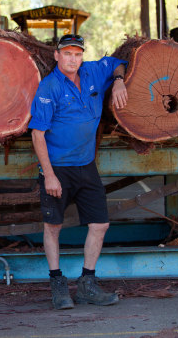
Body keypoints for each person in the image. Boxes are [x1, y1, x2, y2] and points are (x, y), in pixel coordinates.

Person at [28, 34, 128, 310]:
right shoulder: (49, 87)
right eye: (67, 53)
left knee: (100, 224)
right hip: (58, 168)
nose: (73, 59)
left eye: (77, 53)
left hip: (86, 166)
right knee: (53, 226)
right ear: (57, 56)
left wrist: (118, 81)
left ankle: (87, 283)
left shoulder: (94, 71)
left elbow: (118, 63)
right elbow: (38, 135)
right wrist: (49, 175)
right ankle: (57, 283)